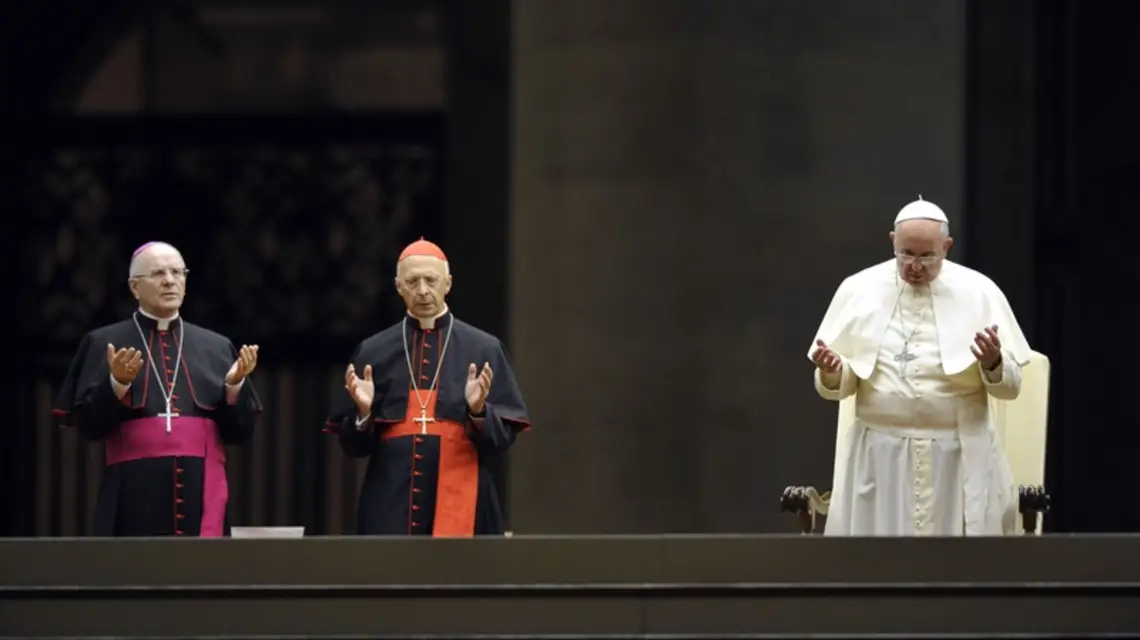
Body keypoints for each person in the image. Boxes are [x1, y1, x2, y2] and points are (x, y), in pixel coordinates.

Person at [807, 198, 1035, 536]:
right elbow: (842, 384)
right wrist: (832, 371)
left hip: (957, 459)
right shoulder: (858, 289)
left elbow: (1011, 388)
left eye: (927, 256)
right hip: (879, 461)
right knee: (878, 561)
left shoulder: (980, 291)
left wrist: (994, 363)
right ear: (892, 242)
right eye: (906, 254)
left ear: (947, 246)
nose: (915, 266)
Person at [53, 241, 263, 537]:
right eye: (158, 273)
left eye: (177, 272)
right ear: (134, 287)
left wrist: (233, 386)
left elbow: (239, 434)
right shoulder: (103, 342)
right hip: (132, 496)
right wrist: (116, 384)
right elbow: (90, 429)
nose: (169, 280)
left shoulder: (217, 346)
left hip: (202, 494)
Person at [324, 238, 531, 536]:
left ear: (448, 283)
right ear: (398, 287)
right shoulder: (373, 351)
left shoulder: (484, 348)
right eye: (412, 281)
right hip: (388, 502)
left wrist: (478, 412)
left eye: (431, 280)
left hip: (466, 498)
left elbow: (500, 443)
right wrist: (364, 414)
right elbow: (353, 448)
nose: (422, 290)